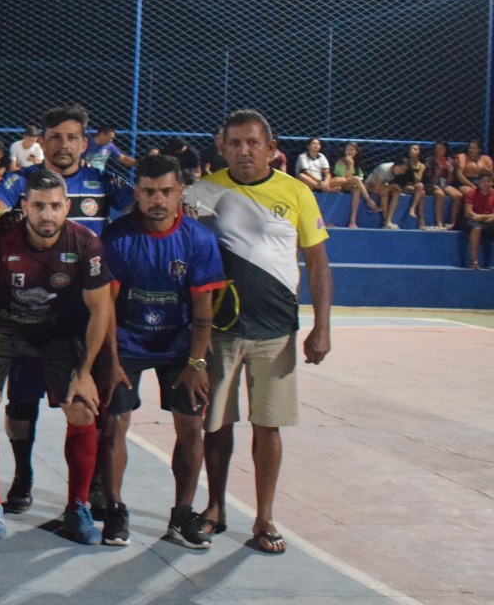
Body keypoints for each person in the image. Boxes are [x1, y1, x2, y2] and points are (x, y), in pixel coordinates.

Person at [185, 109, 332, 555]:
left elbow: (318, 264)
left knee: (268, 426)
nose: (244, 151)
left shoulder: (297, 193)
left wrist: (322, 327)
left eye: (253, 143)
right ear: (222, 147)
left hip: (276, 330)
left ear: (271, 149)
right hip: (221, 331)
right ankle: (215, 507)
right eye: (235, 143)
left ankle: (264, 516)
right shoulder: (202, 193)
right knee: (217, 425)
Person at [0, 103, 131, 516]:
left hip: (82, 315)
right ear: (41, 142)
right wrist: (4, 220)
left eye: (72, 137)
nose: (64, 145)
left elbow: (144, 207)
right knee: (21, 401)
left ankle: (94, 489)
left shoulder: (103, 180)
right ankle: (23, 475)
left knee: (91, 402)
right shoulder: (22, 180)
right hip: (25, 306)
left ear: (85, 142)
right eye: (55, 137)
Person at [0, 168, 114, 545]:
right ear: (24, 206)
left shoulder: (85, 243)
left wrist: (84, 372)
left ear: (67, 206)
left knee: (83, 408)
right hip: (2, 328)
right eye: (38, 206)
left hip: (56, 332)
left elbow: (100, 309)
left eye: (54, 206)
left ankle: (78, 507)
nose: (47, 215)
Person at [98, 155, 225, 549]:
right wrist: (111, 362)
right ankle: (115, 509)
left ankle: (182, 514)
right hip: (128, 341)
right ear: (136, 193)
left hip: (179, 344)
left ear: (180, 192)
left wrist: (197, 364)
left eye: (166, 191)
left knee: (190, 426)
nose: (158, 200)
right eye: (150, 192)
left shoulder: (198, 239)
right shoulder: (118, 238)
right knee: (114, 423)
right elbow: (105, 310)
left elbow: (203, 315)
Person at [330, 141, 377, 228]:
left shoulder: (358, 164)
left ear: (356, 151)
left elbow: (360, 179)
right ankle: (369, 200)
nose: (349, 152)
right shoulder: (341, 162)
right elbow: (345, 178)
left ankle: (352, 221)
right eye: (347, 149)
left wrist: (352, 164)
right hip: (338, 183)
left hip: (350, 185)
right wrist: (350, 164)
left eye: (352, 150)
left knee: (357, 190)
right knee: (355, 179)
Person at [425, 140, 462, 230]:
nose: (439, 151)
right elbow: (430, 179)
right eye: (437, 149)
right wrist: (439, 170)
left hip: (444, 182)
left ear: (446, 150)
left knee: (458, 195)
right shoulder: (430, 160)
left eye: (441, 149)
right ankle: (439, 222)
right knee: (440, 194)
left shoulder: (449, 161)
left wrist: (450, 171)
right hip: (432, 183)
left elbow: (449, 181)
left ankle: (453, 222)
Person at [391, 143, 427, 227]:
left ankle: (413, 208)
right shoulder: (404, 161)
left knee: (421, 187)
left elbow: (418, 179)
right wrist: (408, 165)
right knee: (422, 193)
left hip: (413, 186)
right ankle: (421, 220)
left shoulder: (421, 166)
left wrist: (412, 167)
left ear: (419, 152)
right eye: (411, 149)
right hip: (402, 185)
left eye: (415, 149)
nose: (412, 151)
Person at [463, 170, 494, 268]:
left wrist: (482, 217)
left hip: (487, 220)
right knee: (476, 228)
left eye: (488, 181)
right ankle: (474, 260)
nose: (486, 184)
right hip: (473, 220)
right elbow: (468, 212)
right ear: (479, 182)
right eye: (484, 181)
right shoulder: (472, 193)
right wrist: (479, 217)